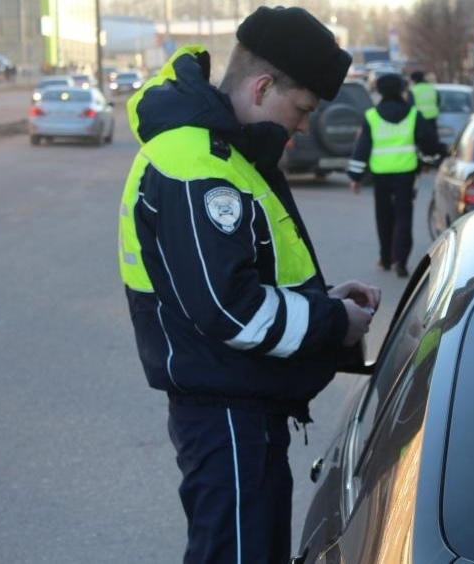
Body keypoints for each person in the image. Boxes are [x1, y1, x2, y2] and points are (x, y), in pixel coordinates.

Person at [116, 6, 381, 563]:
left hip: (242, 406)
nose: (305, 125)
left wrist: (321, 301)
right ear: (263, 87)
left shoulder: (225, 153)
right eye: (302, 108)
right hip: (226, 414)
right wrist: (333, 322)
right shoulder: (197, 164)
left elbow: (244, 280)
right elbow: (230, 310)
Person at [347, 73, 443, 278]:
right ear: (401, 90)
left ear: (379, 91)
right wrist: (429, 160)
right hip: (406, 175)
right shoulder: (413, 115)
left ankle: (385, 258)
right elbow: (428, 143)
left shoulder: (371, 116)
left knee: (383, 217)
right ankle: (401, 260)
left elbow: (362, 148)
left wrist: (355, 177)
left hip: (380, 177)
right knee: (403, 217)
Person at [407, 70, 439, 135]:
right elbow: (438, 102)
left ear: (413, 80)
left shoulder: (413, 90)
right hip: (432, 117)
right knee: (432, 137)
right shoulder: (431, 88)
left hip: (419, 119)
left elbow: (410, 105)